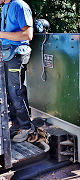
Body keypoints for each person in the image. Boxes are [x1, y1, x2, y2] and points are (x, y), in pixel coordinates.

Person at [0, 0, 33, 142]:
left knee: (15, 92)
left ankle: (27, 127)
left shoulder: (20, 5)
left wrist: (0, 34)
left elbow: (28, 34)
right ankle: (16, 124)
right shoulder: (6, 6)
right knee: (8, 92)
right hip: (7, 53)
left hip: (18, 53)